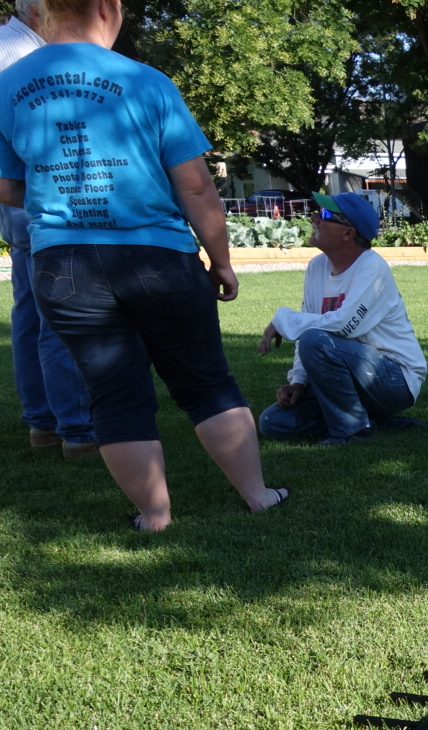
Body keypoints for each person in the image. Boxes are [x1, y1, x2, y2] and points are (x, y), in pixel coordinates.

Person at [0, 0, 286, 532]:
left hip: (63, 267)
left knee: (114, 394)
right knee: (206, 383)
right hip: (159, 259)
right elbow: (196, 186)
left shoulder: (7, 85)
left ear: (40, 12)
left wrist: (53, 197)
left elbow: (6, 184)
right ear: (107, 8)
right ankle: (258, 496)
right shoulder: (148, 82)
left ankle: (154, 516)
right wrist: (222, 262)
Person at [257, 192, 428, 445]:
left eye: (325, 214)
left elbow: (342, 326)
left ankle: (352, 431)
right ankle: (371, 419)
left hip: (395, 379)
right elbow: (311, 325)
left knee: (316, 339)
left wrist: (282, 320)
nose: (314, 217)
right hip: (348, 371)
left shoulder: (372, 267)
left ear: (348, 233)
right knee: (272, 422)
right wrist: (300, 382)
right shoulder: (317, 267)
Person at [0, 0, 93, 458]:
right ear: (38, 11)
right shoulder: (25, 56)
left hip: (14, 197)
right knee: (61, 310)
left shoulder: (7, 46)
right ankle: (76, 428)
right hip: (35, 196)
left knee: (30, 311)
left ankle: (42, 423)